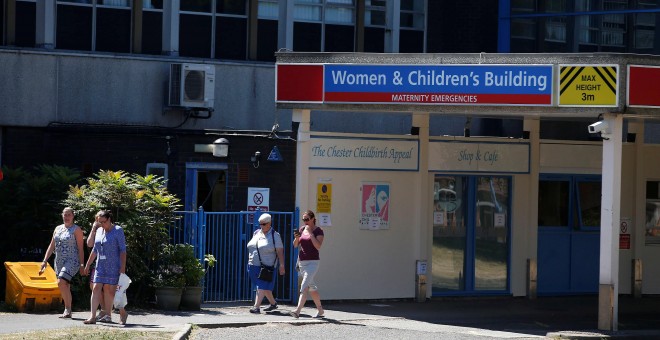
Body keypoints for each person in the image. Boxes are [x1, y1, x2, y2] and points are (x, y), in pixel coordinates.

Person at [83, 210, 128, 325]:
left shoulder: (118, 230)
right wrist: (88, 264)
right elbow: (94, 249)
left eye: (104, 222)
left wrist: (122, 267)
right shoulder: (98, 230)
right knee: (96, 287)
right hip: (100, 265)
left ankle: (113, 314)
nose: (102, 224)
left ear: (109, 219)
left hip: (114, 265)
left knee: (110, 291)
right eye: (99, 222)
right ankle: (92, 316)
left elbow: (123, 250)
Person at [39, 207, 85, 319]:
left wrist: (82, 265)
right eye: (65, 214)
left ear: (73, 216)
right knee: (65, 284)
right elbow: (51, 245)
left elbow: (80, 248)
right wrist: (45, 261)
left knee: (61, 281)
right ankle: (68, 310)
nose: (67, 217)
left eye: (69, 215)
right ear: (62, 215)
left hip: (72, 260)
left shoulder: (76, 229)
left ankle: (67, 308)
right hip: (59, 260)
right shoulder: (58, 228)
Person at [246, 213, 285, 314]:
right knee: (264, 287)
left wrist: (282, 265)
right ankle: (273, 304)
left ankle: (256, 307)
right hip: (252, 264)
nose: (261, 226)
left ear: (269, 223)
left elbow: (280, 251)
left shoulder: (275, 235)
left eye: (263, 224)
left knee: (261, 286)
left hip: (266, 266)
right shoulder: (256, 233)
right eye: (260, 224)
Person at [289, 210, 325, 319]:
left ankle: (297, 311)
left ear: (313, 219)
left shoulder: (319, 231)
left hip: (313, 262)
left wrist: (310, 233)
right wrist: (296, 238)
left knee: (304, 286)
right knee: (311, 287)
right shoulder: (302, 229)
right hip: (302, 262)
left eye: (307, 219)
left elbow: (318, 246)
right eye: (303, 220)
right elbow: (295, 245)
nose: (305, 222)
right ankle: (320, 310)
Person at [85, 212, 106, 320]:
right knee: (93, 286)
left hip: (107, 263)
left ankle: (106, 311)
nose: (99, 223)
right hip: (96, 262)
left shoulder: (108, 229)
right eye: (97, 220)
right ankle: (103, 309)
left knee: (105, 288)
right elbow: (89, 244)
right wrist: (93, 230)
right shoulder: (96, 230)